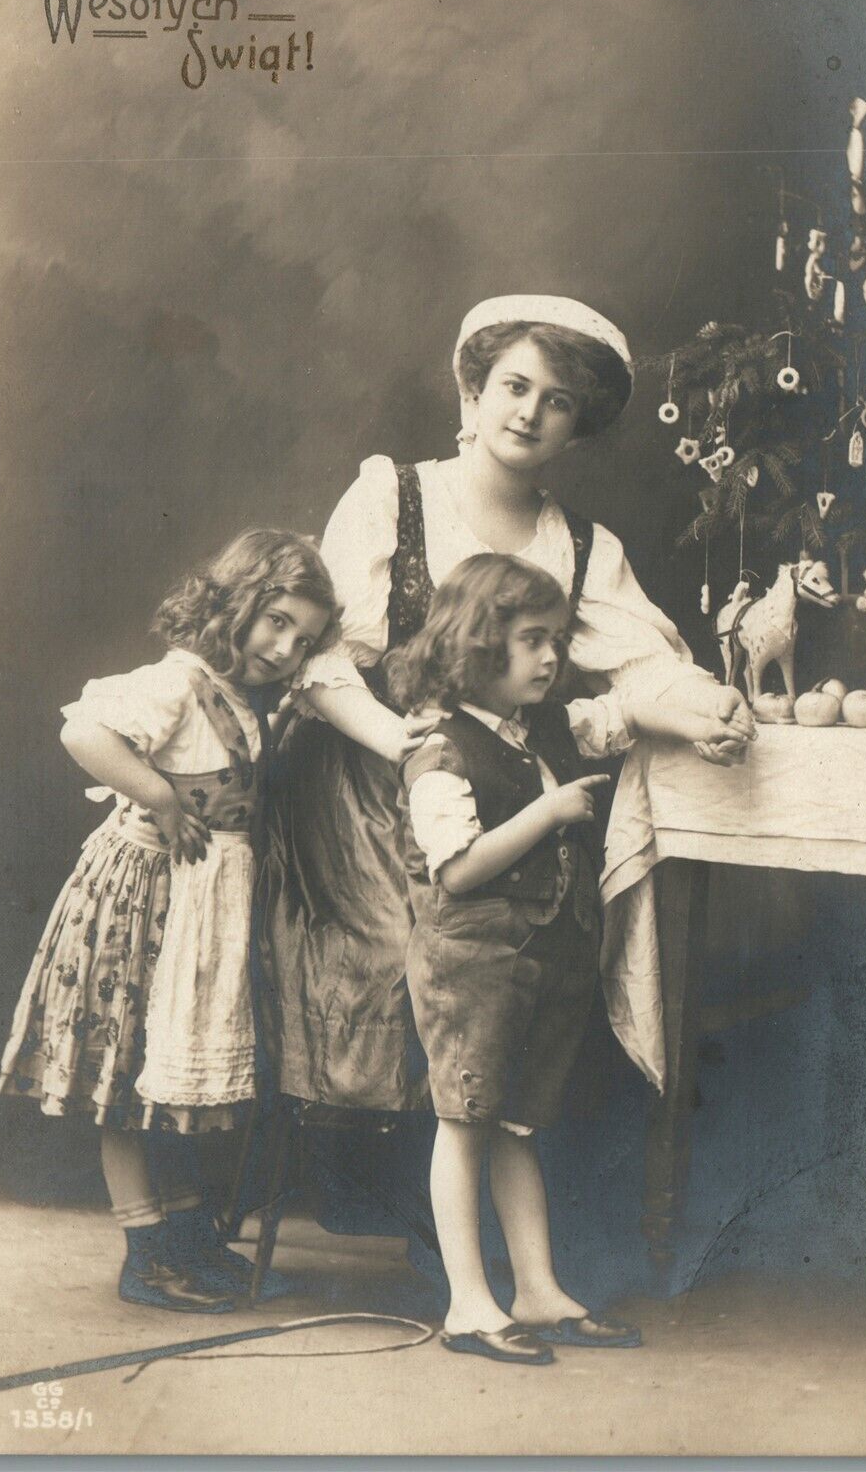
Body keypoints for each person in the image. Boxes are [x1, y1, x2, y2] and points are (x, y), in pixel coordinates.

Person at [267, 294, 753, 1120]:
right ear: (473, 393)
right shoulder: (396, 496)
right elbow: (317, 665)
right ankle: (405, 1181)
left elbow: (645, 667)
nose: (529, 412)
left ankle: (462, 1171)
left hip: (497, 793)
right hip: (358, 784)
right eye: (514, 385)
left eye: (556, 400)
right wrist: (401, 740)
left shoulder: (584, 548)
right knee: (418, 947)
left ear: (576, 425)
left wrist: (707, 708)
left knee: (521, 952)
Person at [389, 553, 743, 1364]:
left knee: (517, 1122)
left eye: (556, 640)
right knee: (465, 1122)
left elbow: (619, 717)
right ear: (478, 644)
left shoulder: (540, 724)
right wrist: (550, 812)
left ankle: (537, 1287)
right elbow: (458, 868)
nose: (552, 657)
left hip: (541, 957)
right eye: (533, 640)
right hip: (473, 965)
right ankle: (469, 1303)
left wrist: (698, 721)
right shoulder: (439, 751)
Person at [0, 530, 338, 1312]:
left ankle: (187, 1239)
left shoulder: (241, 699)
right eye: (276, 621)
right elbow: (83, 731)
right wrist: (157, 794)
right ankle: (145, 1251)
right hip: (140, 902)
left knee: (166, 1079)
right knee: (126, 1074)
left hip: (198, 906)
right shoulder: (178, 682)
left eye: (304, 637)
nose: (286, 648)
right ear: (236, 603)